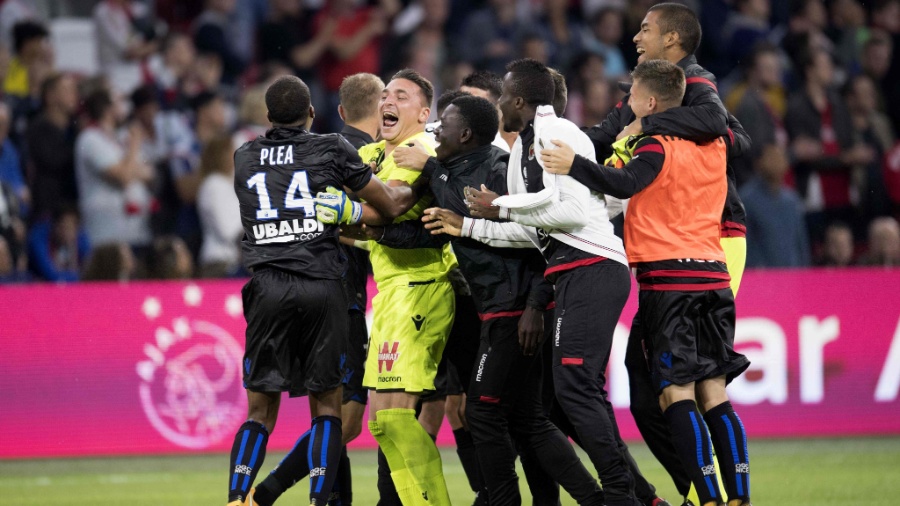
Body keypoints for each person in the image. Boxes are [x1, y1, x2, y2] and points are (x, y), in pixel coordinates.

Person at [542, 59, 753, 506]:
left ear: (651, 101)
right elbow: (735, 135)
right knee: (714, 390)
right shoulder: (715, 145)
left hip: (669, 280)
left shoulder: (655, 144)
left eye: (632, 95)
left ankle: (710, 498)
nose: (626, 102)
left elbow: (624, 182)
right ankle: (740, 495)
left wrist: (572, 164)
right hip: (714, 273)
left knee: (676, 391)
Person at [429, 58, 639, 506]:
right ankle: (619, 495)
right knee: (557, 402)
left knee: (574, 392)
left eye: (504, 94)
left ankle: (621, 496)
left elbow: (570, 213)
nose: (500, 102)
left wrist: (501, 206)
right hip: (568, 272)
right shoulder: (523, 150)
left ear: (519, 100)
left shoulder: (556, 134)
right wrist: (468, 226)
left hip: (593, 265)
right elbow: (531, 231)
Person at [385, 93, 606, 506]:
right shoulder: (450, 171)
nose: (435, 131)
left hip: (515, 310)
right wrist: (371, 231)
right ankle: (596, 500)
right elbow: (436, 225)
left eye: (444, 125)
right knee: (527, 419)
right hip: (497, 308)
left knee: (484, 413)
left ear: (465, 134)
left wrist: (535, 307)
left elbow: (542, 239)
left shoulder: (500, 171)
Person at [225, 75, 426, 506]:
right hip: (323, 285)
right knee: (328, 409)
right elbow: (390, 206)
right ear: (311, 114)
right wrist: (424, 182)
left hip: (267, 287)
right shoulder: (331, 148)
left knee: (259, 412)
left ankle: (237, 497)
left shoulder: (244, 156)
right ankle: (320, 501)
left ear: (267, 117)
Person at [316, 69, 457, 505]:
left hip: (422, 285)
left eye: (402, 95)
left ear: (423, 111)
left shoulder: (421, 149)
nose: (388, 101)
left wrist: (347, 210)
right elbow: (354, 213)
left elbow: (390, 205)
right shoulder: (375, 152)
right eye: (385, 95)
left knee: (395, 416)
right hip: (391, 290)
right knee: (380, 420)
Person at [245, 72, 385, 506]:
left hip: (291, 289)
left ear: (339, 111)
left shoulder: (279, 154)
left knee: (332, 415)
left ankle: (313, 497)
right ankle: (273, 492)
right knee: (340, 417)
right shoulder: (346, 152)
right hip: (335, 295)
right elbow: (345, 219)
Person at [74, 88, 155, 251]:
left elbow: (150, 173)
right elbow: (123, 177)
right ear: (107, 109)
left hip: (137, 230)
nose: (126, 107)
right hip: (106, 235)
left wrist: (129, 167)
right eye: (120, 103)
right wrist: (134, 147)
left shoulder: (121, 137)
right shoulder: (90, 139)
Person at [741, 144, 811, 268]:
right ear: (758, 163)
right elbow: (743, 244)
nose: (776, 162)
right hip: (761, 276)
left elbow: (800, 242)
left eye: (780, 157)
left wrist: (804, 270)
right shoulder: (746, 200)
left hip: (792, 274)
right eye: (771, 157)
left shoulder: (792, 201)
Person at [196, 135, 242, 277]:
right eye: (232, 151)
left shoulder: (227, 183)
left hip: (232, 260)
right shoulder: (214, 184)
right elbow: (228, 230)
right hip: (218, 263)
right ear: (220, 156)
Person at [27, 203, 90, 282]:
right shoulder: (38, 237)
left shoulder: (81, 237)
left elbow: (90, 271)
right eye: (64, 227)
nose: (67, 232)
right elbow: (50, 274)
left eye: (71, 228)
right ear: (54, 225)